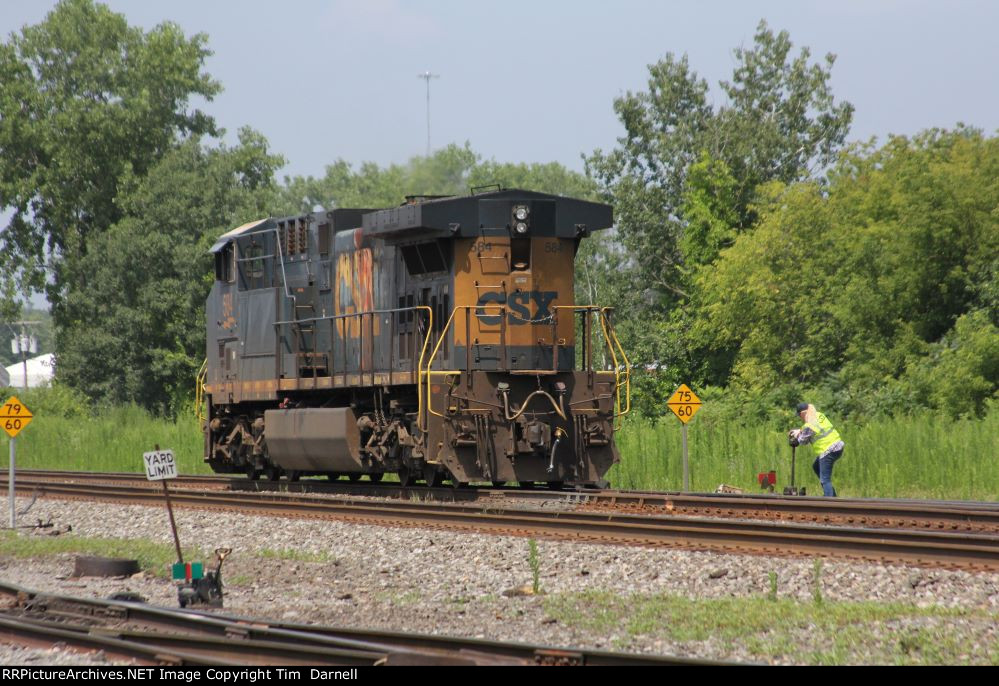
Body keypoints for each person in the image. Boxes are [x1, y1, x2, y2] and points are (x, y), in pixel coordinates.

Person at [789, 402, 844, 497]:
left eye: (799, 415)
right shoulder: (819, 415)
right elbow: (811, 428)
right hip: (838, 446)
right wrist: (800, 430)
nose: (800, 417)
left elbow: (803, 441)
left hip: (828, 449)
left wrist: (797, 435)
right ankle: (832, 495)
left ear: (802, 413)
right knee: (816, 466)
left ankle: (830, 501)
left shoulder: (810, 424)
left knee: (824, 479)